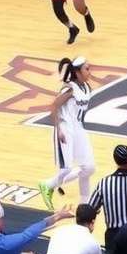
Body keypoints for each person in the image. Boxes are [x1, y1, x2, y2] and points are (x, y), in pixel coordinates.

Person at [38, 57, 96, 208]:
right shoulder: (69, 88)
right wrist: (58, 130)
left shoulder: (86, 87)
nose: (90, 71)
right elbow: (54, 106)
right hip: (65, 128)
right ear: (77, 72)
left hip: (78, 127)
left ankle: (84, 204)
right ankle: (48, 184)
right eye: (87, 69)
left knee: (89, 167)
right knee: (67, 168)